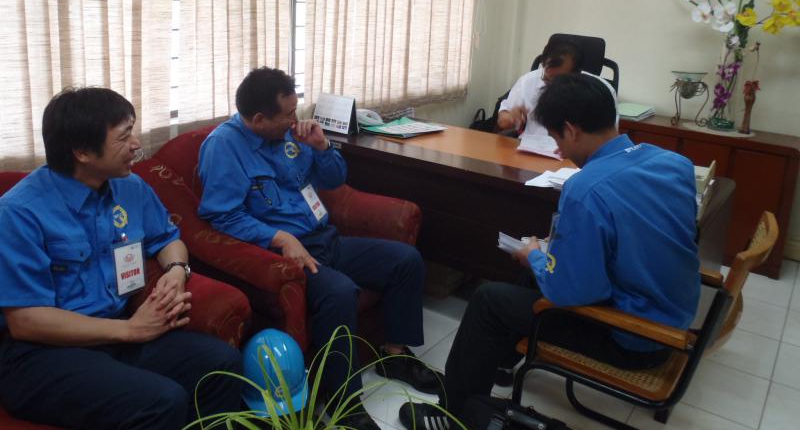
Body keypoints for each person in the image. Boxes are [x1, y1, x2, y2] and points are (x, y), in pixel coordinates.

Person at [399, 74, 700, 430]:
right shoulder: (674, 163)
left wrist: (534, 255)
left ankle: (454, 414)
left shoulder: (585, 189)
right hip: (671, 317)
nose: (559, 151)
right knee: (529, 276)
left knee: (488, 299)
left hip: (633, 337)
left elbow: (571, 292)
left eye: (557, 139)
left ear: (571, 130)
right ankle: (500, 360)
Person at [197, 67, 442, 430]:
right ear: (259, 119)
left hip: (325, 238)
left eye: (295, 109)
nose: (295, 119)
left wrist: (322, 146)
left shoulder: (292, 136)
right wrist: (280, 239)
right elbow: (222, 217)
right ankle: (343, 398)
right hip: (285, 255)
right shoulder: (223, 148)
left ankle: (393, 355)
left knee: (406, 261)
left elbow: (335, 179)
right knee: (339, 292)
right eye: (288, 114)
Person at [0, 88, 243, 430]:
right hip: (42, 354)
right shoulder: (18, 212)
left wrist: (177, 271)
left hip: (117, 333)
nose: (136, 144)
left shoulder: (130, 187)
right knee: (163, 400)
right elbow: (26, 321)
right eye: (124, 136)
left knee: (223, 365)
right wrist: (130, 330)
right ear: (82, 152)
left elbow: (167, 239)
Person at [496, 39, 584, 138]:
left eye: (558, 80)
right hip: (532, 144)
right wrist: (508, 118)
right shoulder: (528, 81)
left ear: (576, 75)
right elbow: (505, 115)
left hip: (572, 147)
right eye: (546, 79)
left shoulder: (593, 91)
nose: (551, 87)